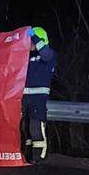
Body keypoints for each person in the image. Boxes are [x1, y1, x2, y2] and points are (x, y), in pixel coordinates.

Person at [23, 26, 56, 163]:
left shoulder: (48, 55)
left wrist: (34, 36)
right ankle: (27, 155)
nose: (29, 44)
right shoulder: (26, 56)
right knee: (25, 127)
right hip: (23, 97)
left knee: (36, 127)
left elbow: (46, 54)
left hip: (38, 98)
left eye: (31, 41)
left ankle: (39, 157)